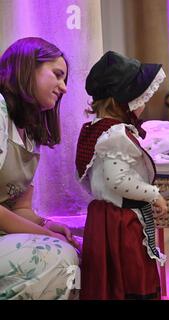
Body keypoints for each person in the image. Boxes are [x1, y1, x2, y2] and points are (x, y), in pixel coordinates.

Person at [76, 51, 168, 300]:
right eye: (142, 98)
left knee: (111, 281)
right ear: (122, 101)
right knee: (130, 278)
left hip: (107, 217)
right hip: (119, 222)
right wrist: (154, 194)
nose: (145, 103)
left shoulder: (97, 130)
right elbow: (118, 181)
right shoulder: (115, 135)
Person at [0, 37, 80, 300]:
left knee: (75, 250)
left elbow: (19, 208)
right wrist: (45, 235)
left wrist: (47, 224)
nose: (64, 88)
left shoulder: (29, 131)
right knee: (62, 258)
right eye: (57, 75)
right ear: (26, 67)